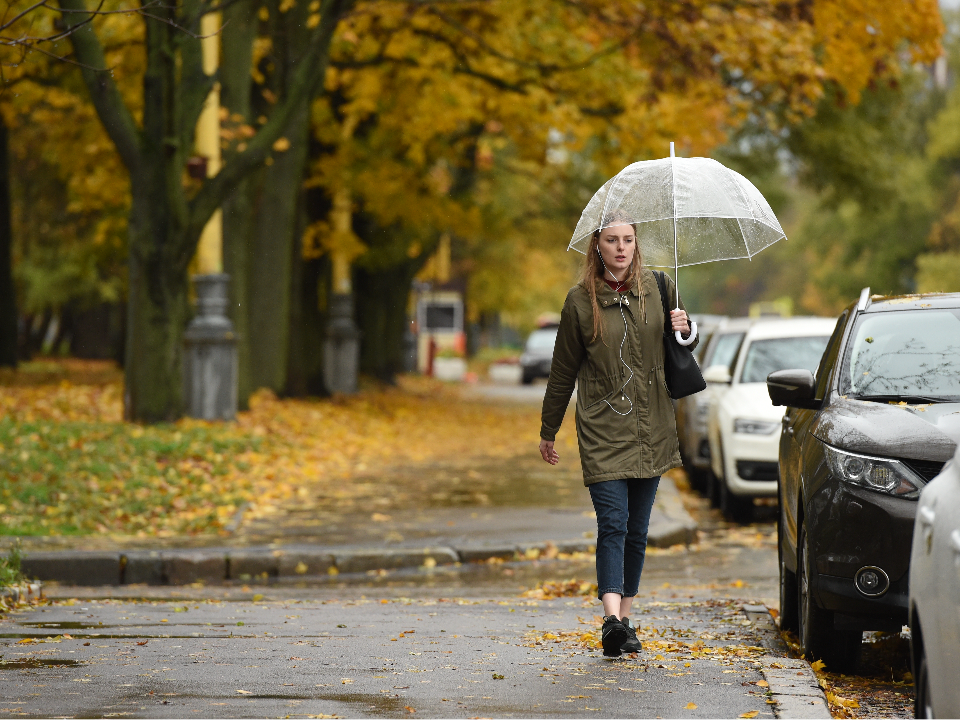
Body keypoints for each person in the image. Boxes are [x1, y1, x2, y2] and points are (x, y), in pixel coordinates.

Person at [538, 219, 695, 657]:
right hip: (603, 427)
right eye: (612, 241)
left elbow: (685, 344)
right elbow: (562, 371)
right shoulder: (579, 303)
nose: (621, 248)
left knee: (638, 531)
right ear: (597, 246)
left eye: (628, 240)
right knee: (614, 522)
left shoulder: (660, 287)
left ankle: (625, 620)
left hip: (653, 426)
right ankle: (610, 618)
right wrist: (548, 429)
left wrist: (683, 327)